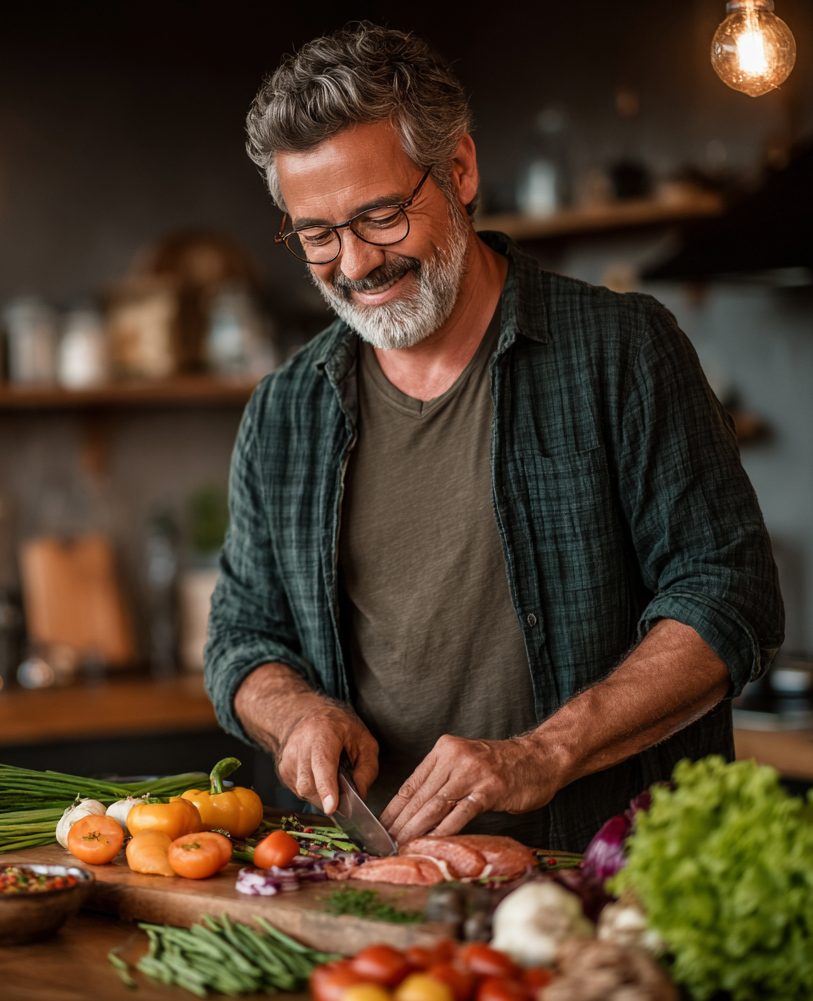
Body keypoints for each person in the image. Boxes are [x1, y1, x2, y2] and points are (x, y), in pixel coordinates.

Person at [204, 22, 784, 852]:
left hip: (609, 869)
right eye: (317, 235)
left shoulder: (620, 348)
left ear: (461, 171)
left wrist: (542, 754)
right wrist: (294, 710)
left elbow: (729, 596)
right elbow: (239, 639)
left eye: (380, 216)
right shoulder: (285, 410)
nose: (356, 264)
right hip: (385, 884)